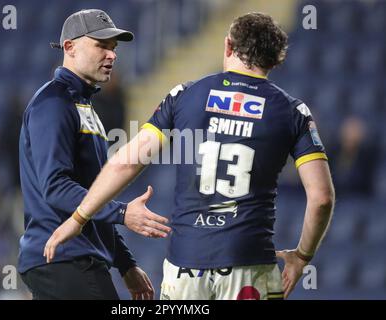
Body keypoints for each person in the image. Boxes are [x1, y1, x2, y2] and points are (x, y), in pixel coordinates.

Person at [44, 13, 335, 300]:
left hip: (186, 267)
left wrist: (79, 217)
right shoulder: (293, 112)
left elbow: (127, 161)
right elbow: (321, 198)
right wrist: (302, 256)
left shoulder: (185, 94)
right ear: (275, 59)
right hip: (250, 263)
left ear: (228, 46)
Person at [18, 9, 170, 300]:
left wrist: (125, 264)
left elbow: (92, 194)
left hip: (70, 260)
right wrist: (123, 214)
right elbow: (56, 187)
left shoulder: (84, 108)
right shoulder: (54, 103)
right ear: (69, 47)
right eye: (101, 45)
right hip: (64, 259)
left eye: (113, 48)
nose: (112, 55)